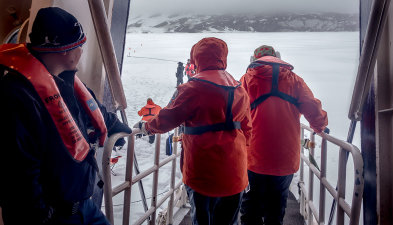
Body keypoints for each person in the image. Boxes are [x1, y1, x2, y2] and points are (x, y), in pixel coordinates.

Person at [0, 7, 131, 225]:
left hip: (85, 208)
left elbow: (96, 111)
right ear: (64, 51)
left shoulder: (67, 81)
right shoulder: (16, 96)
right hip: (53, 216)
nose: (82, 50)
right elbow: (19, 175)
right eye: (79, 45)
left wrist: (118, 126)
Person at [138, 37, 252, 225]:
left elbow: (167, 119)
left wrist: (146, 127)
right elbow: (248, 130)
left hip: (202, 173)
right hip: (235, 174)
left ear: (197, 58)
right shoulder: (239, 88)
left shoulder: (192, 88)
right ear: (223, 58)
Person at [239, 45, 328, 225]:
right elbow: (311, 107)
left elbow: (235, 112)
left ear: (253, 61)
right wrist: (319, 126)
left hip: (254, 156)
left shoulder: (246, 80)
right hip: (285, 158)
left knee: (252, 203)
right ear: (277, 57)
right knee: (277, 204)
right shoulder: (294, 80)